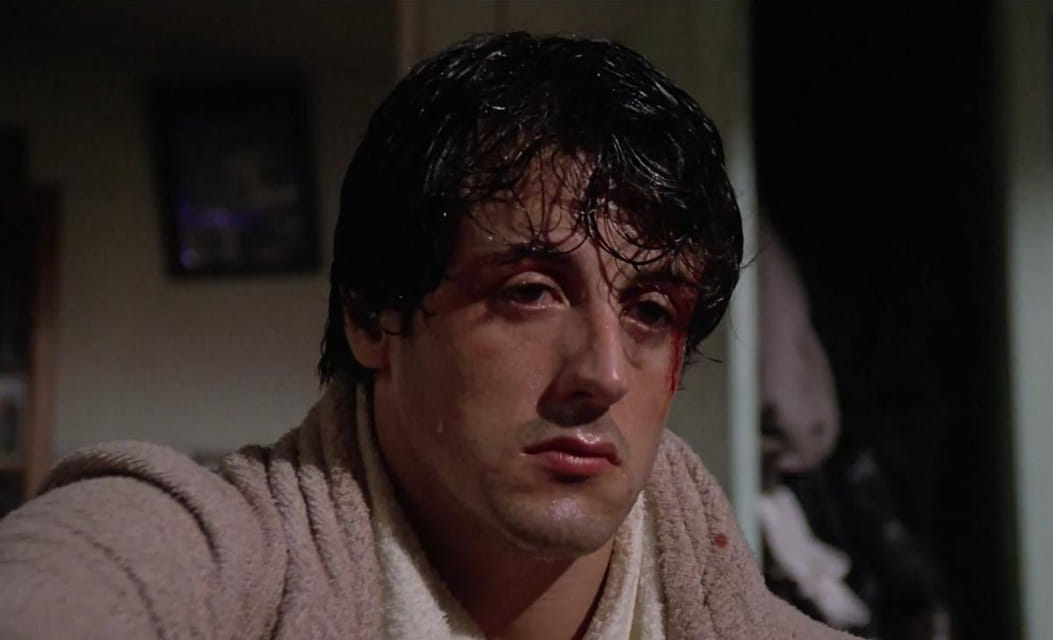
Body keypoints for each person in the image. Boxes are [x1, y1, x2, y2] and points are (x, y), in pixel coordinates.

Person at [0, 32, 854, 639]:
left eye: (651, 311)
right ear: (374, 316)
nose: (604, 372)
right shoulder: (215, 556)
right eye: (529, 292)